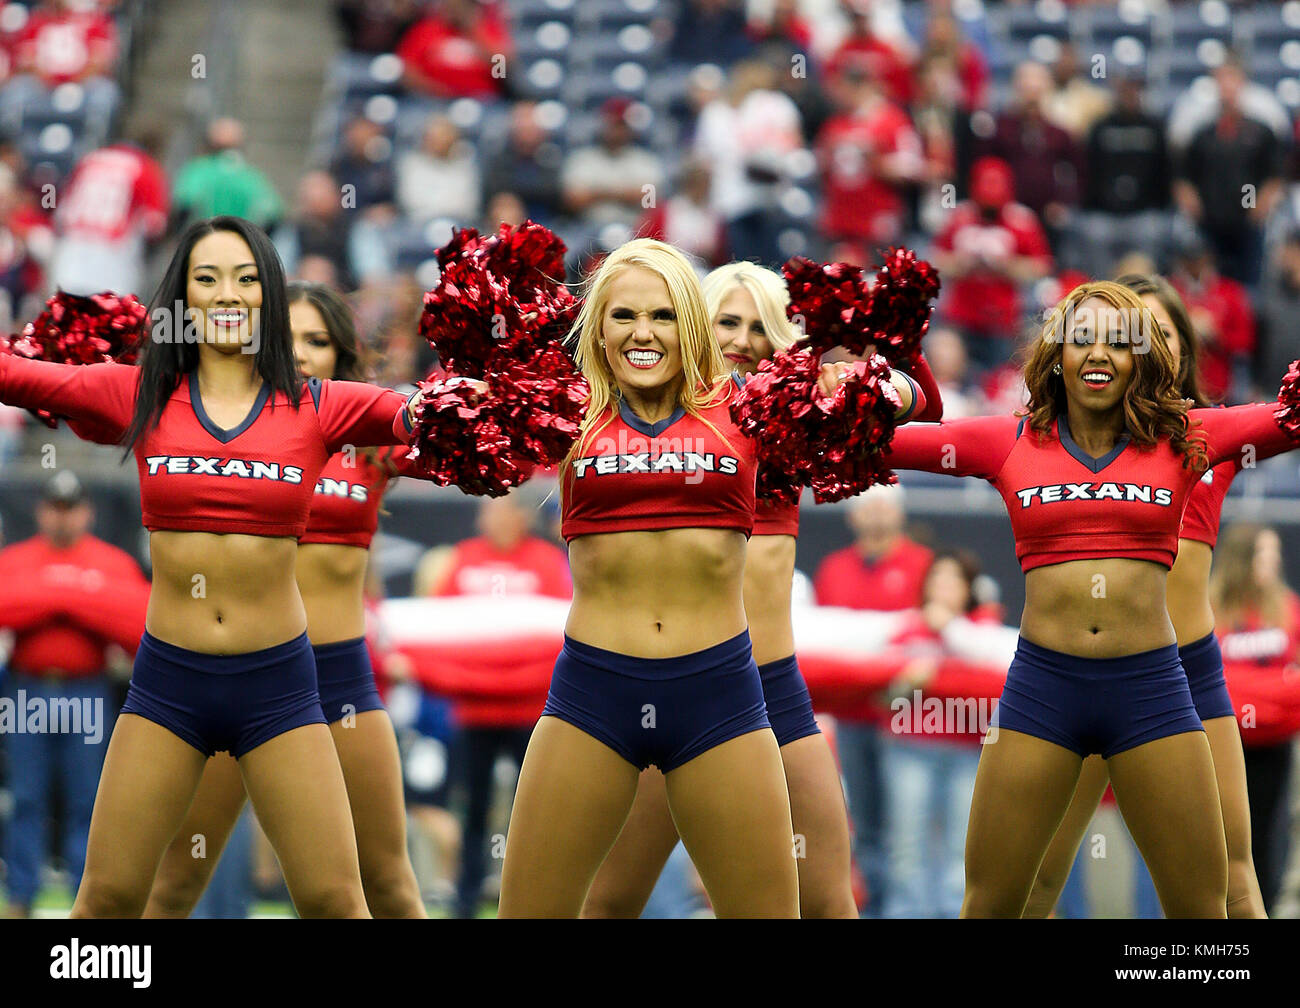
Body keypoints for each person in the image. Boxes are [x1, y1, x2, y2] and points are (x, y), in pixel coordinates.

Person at [0, 217, 424, 918]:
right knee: (107, 899)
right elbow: (16, 375)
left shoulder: (321, 404)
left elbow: (441, 413)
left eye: (246, 278)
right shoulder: (136, 393)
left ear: (269, 296)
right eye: (207, 278)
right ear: (181, 301)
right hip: (170, 685)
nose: (227, 293)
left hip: (282, 688)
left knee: (337, 900)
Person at [496, 238, 928, 917]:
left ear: (685, 326)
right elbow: (436, 420)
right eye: (624, 317)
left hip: (726, 692)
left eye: (664, 316)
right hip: (593, 694)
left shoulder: (755, 408)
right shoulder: (566, 407)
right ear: (599, 330)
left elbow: (913, 402)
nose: (643, 333)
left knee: (812, 904)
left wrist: (879, 383)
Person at [884, 279, 1298, 917]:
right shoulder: (1008, 440)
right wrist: (890, 383)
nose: (1099, 354)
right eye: (1081, 339)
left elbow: (1289, 418)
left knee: (1206, 913)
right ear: (1055, 356)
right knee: (992, 905)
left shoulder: (1187, 437)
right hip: (1043, 692)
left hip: (1154, 691)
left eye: (1118, 342)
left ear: (1144, 359)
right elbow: (875, 442)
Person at [141, 281, 426, 918]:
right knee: (174, 884)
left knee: (383, 882)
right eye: (285, 337)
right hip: (242, 677)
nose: (298, 353)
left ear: (339, 357)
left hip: (339, 681)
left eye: (316, 341)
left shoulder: (374, 440)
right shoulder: (220, 431)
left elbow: (475, 446)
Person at [1023, 273, 1268, 919]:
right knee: (1037, 875)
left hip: (1184, 675)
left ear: (1177, 352)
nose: (1133, 347)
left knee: (1230, 879)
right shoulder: (1071, 441)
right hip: (1080, 675)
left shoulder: (1207, 436)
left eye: (1156, 333)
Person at [0, 470, 149, 916]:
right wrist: (78, 594)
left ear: (87, 512)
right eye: (54, 508)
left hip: (87, 690)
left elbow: (135, 627)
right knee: (26, 796)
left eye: (71, 508)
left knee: (89, 798)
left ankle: (87, 899)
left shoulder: (113, 562)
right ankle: (21, 897)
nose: (62, 518)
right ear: (42, 511)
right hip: (27, 690)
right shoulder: (15, 557)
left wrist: (51, 595)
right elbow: (5, 604)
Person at [425, 491, 571, 919]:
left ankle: (538, 899)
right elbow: (441, 629)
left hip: (533, 715)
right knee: (472, 810)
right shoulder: (464, 558)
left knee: (538, 813)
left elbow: (562, 635)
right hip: (474, 714)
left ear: (521, 517)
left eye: (498, 509)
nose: (488, 517)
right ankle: (465, 901)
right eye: (486, 509)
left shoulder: (546, 561)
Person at [1211, 523, 1300, 914]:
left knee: (1265, 838)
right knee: (1219, 842)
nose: (1275, 560)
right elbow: (1203, 683)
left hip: (1274, 747)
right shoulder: (1209, 609)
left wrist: (1245, 690)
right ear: (1242, 558)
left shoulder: (1288, 608)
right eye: (1266, 552)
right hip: (1220, 744)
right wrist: (1272, 689)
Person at [48, 131, 171, 297]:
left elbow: (61, 211)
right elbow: (155, 225)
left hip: (72, 250)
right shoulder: (145, 167)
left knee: (64, 313)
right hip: (112, 258)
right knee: (111, 316)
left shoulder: (89, 160)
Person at [172, 119, 284, 233]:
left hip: (204, 240)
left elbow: (185, 205)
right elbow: (273, 214)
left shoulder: (198, 170)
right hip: (241, 243)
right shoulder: (253, 177)